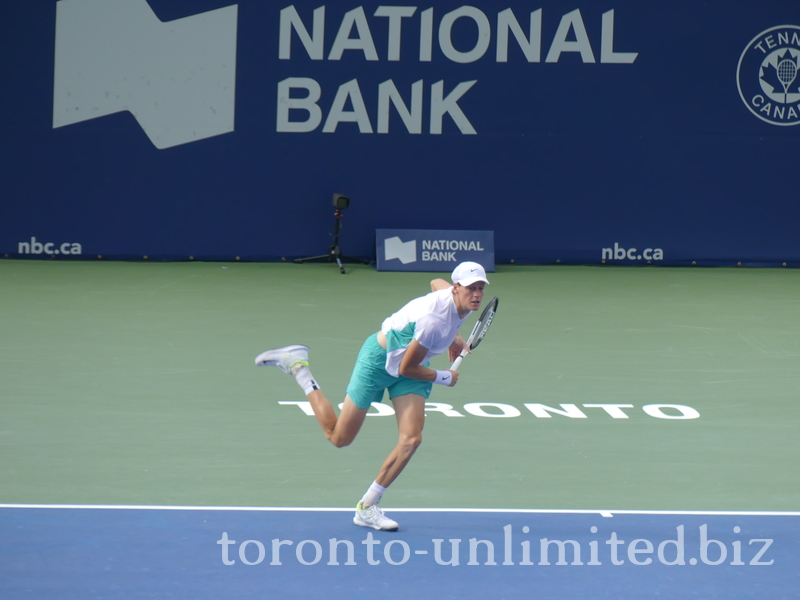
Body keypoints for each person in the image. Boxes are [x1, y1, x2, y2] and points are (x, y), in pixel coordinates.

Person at [255, 261, 489, 531]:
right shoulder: (433, 321)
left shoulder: (458, 299)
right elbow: (405, 367)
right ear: (457, 288)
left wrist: (455, 336)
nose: (477, 295)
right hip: (380, 362)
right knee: (339, 437)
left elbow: (436, 282)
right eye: (471, 288)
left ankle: (367, 507)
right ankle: (299, 369)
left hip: (411, 366)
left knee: (411, 440)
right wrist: (443, 377)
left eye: (481, 288)